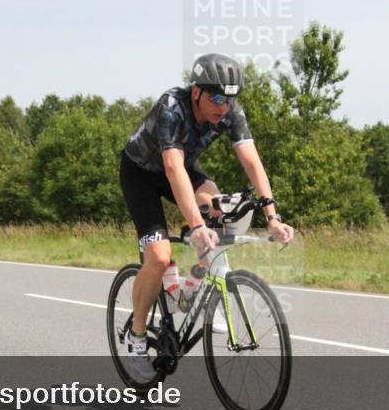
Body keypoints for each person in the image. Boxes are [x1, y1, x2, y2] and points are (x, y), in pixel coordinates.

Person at [120, 53, 295, 380]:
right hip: (142, 173)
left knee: (222, 208)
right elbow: (172, 168)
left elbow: (252, 162)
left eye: (228, 99)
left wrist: (273, 216)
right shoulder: (172, 106)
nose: (223, 107)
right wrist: (197, 225)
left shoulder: (231, 112)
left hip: (183, 169)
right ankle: (136, 337)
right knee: (159, 257)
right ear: (196, 91)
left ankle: (196, 284)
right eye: (216, 98)